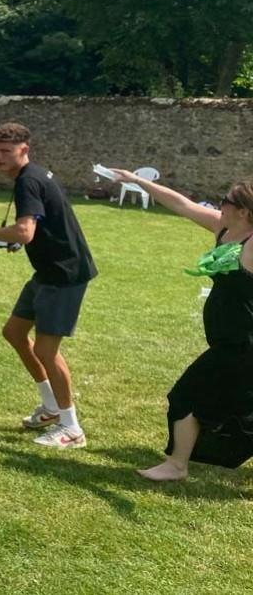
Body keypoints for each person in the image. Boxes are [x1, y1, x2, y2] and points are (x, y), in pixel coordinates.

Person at [0, 123, 97, 450]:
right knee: (14, 333)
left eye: (6, 151)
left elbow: (24, 232)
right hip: (47, 272)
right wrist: (20, 240)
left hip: (64, 275)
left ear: (24, 149)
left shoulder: (28, 181)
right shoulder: (31, 176)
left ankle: (72, 428)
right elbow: (38, 227)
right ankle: (51, 407)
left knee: (46, 351)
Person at [105, 171, 253, 481]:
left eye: (226, 200)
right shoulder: (223, 228)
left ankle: (176, 465)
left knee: (185, 396)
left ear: (243, 211)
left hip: (242, 345)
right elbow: (182, 204)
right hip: (227, 341)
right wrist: (137, 180)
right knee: (238, 408)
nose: (220, 204)